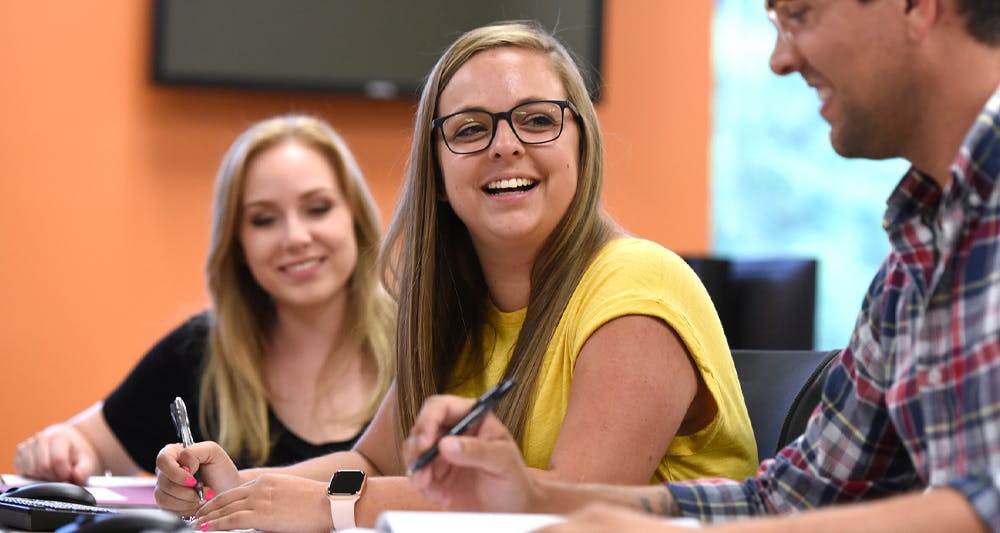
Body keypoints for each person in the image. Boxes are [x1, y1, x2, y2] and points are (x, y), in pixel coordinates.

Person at [403, 0, 1000, 531]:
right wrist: (533, 498)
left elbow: (985, 503)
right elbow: (792, 498)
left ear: (918, 7)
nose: (779, 59)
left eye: (799, 15)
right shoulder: (919, 249)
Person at [153, 21, 758, 531]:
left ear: (581, 144)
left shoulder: (637, 283)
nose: (505, 145)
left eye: (537, 119)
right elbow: (372, 459)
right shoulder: (457, 306)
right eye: (471, 128)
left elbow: (577, 503)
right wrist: (241, 488)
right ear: (437, 176)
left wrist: (331, 508)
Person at [13, 114, 395, 485]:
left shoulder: (425, 340)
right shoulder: (198, 352)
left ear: (356, 218)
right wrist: (60, 448)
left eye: (317, 209)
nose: (295, 237)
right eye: (264, 219)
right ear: (238, 244)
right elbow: (87, 445)